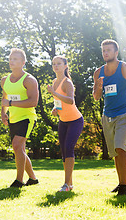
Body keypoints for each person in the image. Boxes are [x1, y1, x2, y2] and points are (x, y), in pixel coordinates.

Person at [93, 39, 126, 195]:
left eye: (109, 50)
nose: (106, 53)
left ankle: (124, 186)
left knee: (120, 147)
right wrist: (98, 86)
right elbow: (96, 97)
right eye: (103, 50)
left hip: (124, 114)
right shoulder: (98, 72)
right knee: (115, 152)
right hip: (107, 115)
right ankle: (121, 183)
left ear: (116, 52)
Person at [0, 48, 39, 188]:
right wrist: (3, 112)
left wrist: (10, 103)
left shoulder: (29, 80)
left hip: (27, 118)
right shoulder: (5, 80)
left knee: (17, 146)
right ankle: (33, 179)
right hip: (13, 118)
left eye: (15, 59)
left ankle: (19, 180)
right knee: (19, 149)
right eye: (10, 58)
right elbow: (4, 97)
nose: (12, 61)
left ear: (23, 62)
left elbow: (33, 102)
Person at [47, 56, 84, 192]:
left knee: (69, 148)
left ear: (65, 66)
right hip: (63, 121)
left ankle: (66, 184)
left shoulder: (67, 82)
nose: (56, 66)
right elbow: (60, 101)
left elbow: (70, 101)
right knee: (64, 151)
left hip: (75, 121)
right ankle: (70, 184)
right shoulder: (54, 82)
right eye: (54, 64)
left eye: (59, 64)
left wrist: (54, 92)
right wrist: (56, 108)